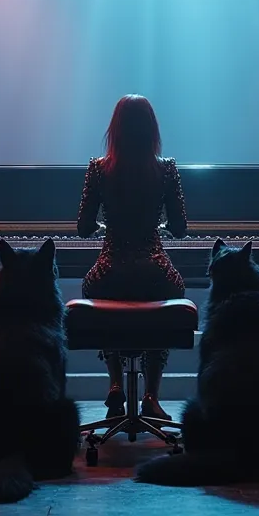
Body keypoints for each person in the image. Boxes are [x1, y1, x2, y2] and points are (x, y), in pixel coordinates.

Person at [77, 94, 187, 421]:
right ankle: (151, 395)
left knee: (96, 292)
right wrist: (159, 224)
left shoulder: (98, 169)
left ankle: (114, 384)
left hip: (110, 268)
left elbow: (83, 228)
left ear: (115, 129)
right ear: (152, 130)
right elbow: (180, 228)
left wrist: (104, 224)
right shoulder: (166, 169)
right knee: (171, 294)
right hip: (154, 269)